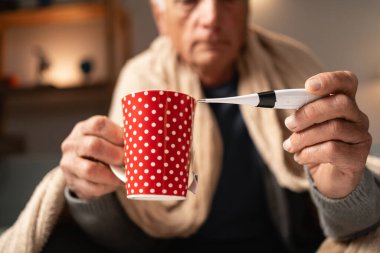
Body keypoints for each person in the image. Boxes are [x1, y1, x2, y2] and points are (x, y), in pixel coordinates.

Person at [1, 0, 379, 252]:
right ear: (159, 16)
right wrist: (91, 195)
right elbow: (126, 239)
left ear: (246, 9)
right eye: (188, 1)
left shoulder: (295, 69)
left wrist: (345, 189)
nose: (211, 17)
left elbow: (349, 229)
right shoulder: (140, 80)